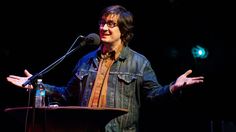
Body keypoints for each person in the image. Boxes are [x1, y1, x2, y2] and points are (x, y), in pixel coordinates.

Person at [6, 5, 204, 132]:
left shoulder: (138, 62)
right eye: (102, 23)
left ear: (123, 30)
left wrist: (173, 87)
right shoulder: (85, 60)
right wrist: (37, 85)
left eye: (111, 24)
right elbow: (67, 94)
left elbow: (153, 95)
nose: (104, 28)